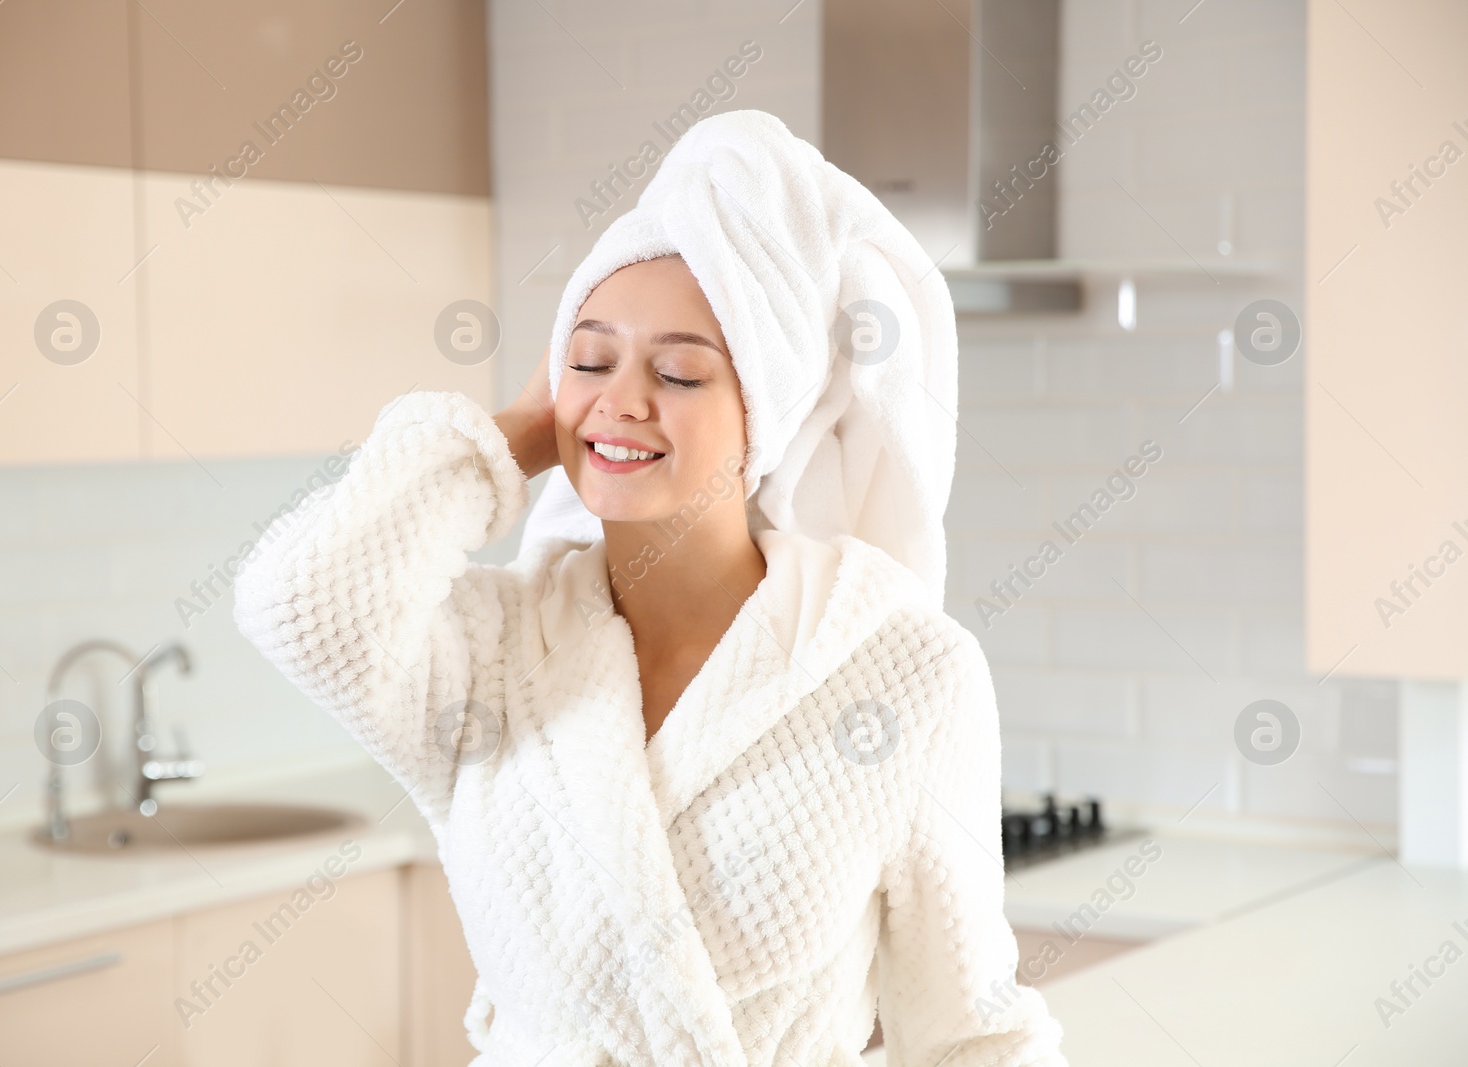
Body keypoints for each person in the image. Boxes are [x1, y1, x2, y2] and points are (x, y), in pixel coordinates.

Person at [233, 110, 1068, 1065]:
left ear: (766, 413)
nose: (620, 399)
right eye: (588, 360)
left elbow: (971, 1036)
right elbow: (297, 605)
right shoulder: (492, 653)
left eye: (676, 371)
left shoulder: (905, 668)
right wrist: (519, 431)